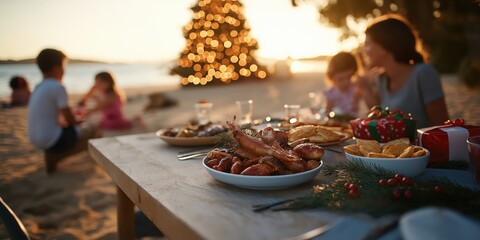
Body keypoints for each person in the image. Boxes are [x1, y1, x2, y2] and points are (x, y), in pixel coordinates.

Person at [358, 14, 449, 128]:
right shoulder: (382, 79)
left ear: (386, 45)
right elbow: (379, 118)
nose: (364, 51)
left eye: (367, 44)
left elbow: (442, 127)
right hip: (392, 146)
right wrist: (364, 88)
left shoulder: (423, 73)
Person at [28, 48, 96, 174]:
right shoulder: (58, 87)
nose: (65, 70)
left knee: (73, 129)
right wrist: (78, 122)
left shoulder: (38, 87)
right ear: (57, 68)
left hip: (35, 138)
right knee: (93, 131)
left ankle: (53, 154)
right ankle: (55, 157)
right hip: (51, 139)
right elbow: (70, 119)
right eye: (64, 66)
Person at [323, 51, 361, 117]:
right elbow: (327, 111)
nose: (346, 82)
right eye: (341, 79)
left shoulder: (355, 89)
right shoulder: (331, 93)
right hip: (337, 123)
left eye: (349, 77)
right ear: (332, 77)